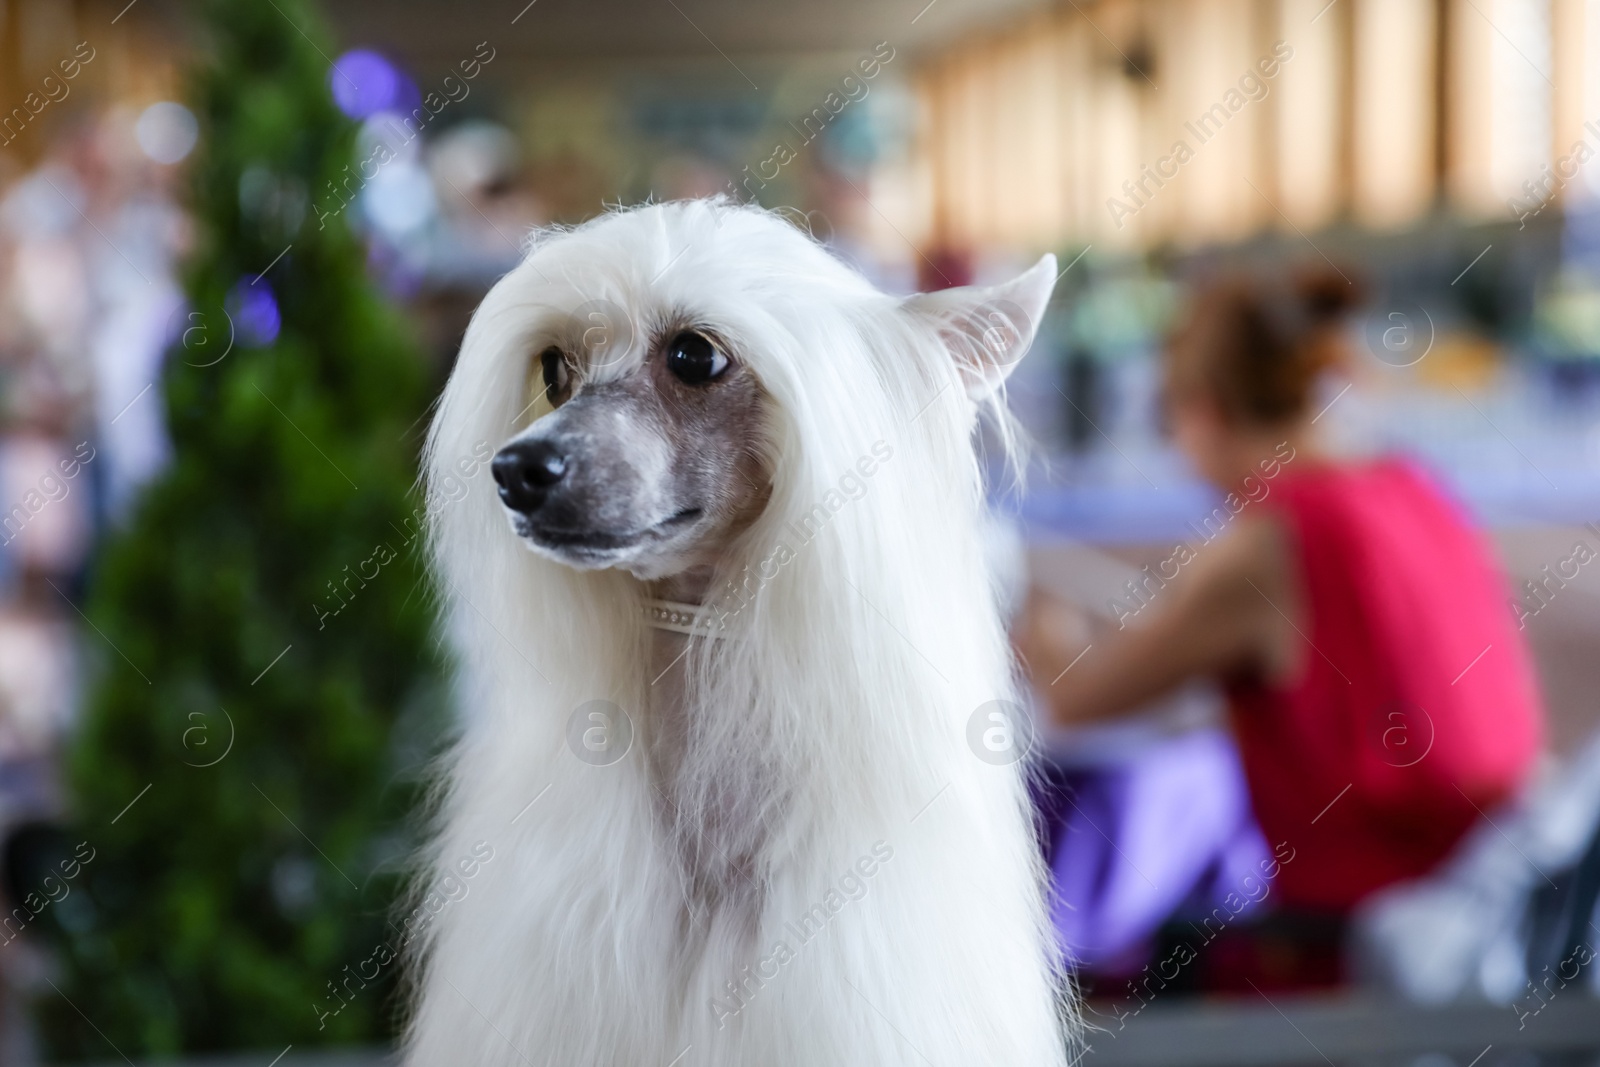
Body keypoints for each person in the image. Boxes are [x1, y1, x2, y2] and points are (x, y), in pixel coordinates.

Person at [1014, 269, 1545, 985]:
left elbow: (1075, 701)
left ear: (1199, 413)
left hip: (1358, 958)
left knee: (1095, 960)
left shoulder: (1270, 538)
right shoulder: (1410, 487)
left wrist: (1046, 633)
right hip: (1485, 925)